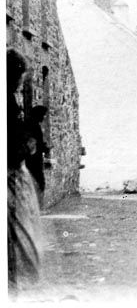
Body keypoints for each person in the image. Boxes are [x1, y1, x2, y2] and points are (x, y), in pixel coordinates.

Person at [7, 48, 42, 293]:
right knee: (21, 236)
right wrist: (26, 147)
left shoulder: (11, 99)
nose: (21, 83)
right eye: (21, 77)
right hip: (11, 178)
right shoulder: (7, 101)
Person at [25, 105, 49, 208]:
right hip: (33, 159)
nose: (43, 118)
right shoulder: (33, 125)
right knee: (39, 182)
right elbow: (35, 143)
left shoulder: (32, 124)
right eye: (43, 115)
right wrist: (44, 148)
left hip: (33, 159)